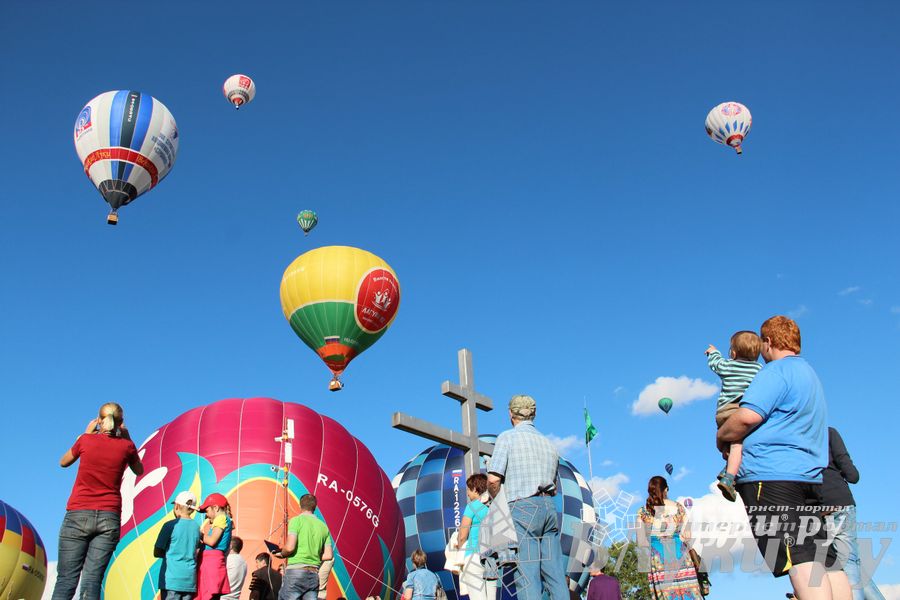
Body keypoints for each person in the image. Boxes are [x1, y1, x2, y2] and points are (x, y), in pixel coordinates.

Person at [718, 315, 851, 600]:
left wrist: (722, 436)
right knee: (825, 560)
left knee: (799, 560)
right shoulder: (810, 375)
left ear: (767, 342)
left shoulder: (775, 372)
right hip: (808, 480)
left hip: (773, 478)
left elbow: (746, 417)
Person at [51, 402, 144, 600]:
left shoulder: (85, 440)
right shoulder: (127, 447)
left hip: (78, 513)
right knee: (92, 580)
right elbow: (139, 470)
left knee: (67, 579)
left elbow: (63, 462)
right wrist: (128, 439)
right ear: (122, 423)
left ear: (99, 420)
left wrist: (85, 433)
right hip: (108, 517)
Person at [487, 394, 568, 600]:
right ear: (534, 414)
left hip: (522, 507)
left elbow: (493, 479)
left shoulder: (507, 437)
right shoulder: (549, 443)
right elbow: (556, 486)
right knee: (556, 574)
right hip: (549, 507)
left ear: (510, 414)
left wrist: (499, 503)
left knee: (527, 574)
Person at [822, 427, 886, 600]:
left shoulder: (792, 438)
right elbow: (852, 476)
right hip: (840, 502)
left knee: (848, 564)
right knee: (849, 564)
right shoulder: (828, 432)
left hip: (813, 510)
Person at [705, 331, 762, 501]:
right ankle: (730, 478)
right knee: (738, 445)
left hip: (723, 412)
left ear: (733, 352)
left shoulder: (728, 365)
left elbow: (715, 364)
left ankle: (727, 469)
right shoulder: (759, 370)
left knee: (731, 445)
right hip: (740, 411)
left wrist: (713, 352)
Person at [636, 476, 703, 600]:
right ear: (666, 489)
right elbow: (688, 536)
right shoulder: (678, 507)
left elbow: (641, 543)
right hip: (680, 554)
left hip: (658, 559)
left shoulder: (643, 512)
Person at [275, 494, 333, 600]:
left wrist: (281, 553)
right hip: (314, 574)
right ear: (315, 507)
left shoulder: (296, 521)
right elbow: (329, 555)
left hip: (296, 572)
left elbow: (289, 548)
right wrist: (312, 555)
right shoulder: (323, 527)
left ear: (300, 505)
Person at [153, 491, 201, 600]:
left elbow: (157, 551)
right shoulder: (197, 527)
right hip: (189, 580)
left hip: (171, 580)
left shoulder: (169, 525)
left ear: (177, 506)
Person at [456, 474, 495, 600]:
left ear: (475, 489)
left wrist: (460, 549)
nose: (467, 493)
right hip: (492, 558)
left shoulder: (472, 507)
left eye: (468, 489)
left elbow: (462, 535)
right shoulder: (494, 507)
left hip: (474, 556)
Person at [197, 493, 235, 600]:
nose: (206, 515)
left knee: (209, 595)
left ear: (216, 508)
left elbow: (212, 541)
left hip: (212, 564)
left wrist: (199, 534)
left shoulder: (221, 518)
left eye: (207, 511)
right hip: (212, 563)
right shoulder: (223, 519)